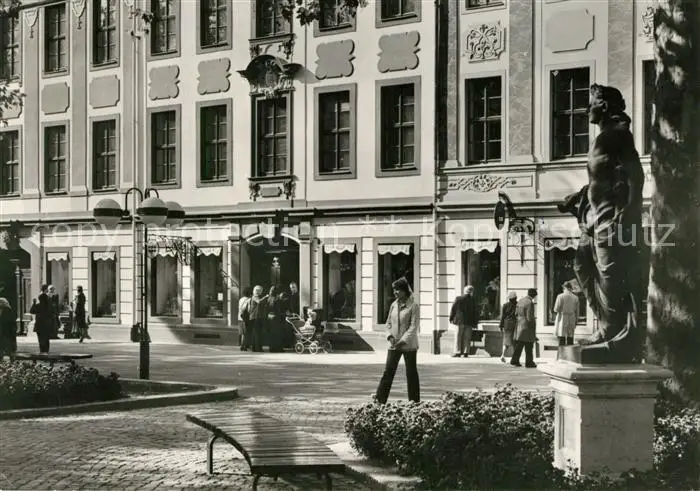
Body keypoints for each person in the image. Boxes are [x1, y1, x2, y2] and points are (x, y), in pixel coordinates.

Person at [557, 84, 644, 356]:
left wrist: (627, 211)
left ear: (604, 106)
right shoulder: (603, 138)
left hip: (611, 218)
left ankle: (613, 330)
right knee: (581, 266)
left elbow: (635, 174)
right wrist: (578, 196)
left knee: (610, 275)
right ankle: (606, 323)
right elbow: (600, 178)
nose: (586, 110)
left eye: (591, 103)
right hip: (594, 218)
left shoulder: (618, 134)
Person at [374, 277, 420, 404]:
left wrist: (403, 341)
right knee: (388, 372)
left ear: (405, 291)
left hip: (409, 345)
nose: (395, 292)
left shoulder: (414, 306)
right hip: (393, 344)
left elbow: (413, 327)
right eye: (394, 290)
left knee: (411, 373)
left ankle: (414, 402)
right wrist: (389, 336)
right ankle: (379, 400)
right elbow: (388, 323)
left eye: (398, 290)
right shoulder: (393, 305)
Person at [510, 288, 538, 368]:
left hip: (519, 324)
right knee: (529, 345)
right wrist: (533, 326)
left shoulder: (520, 300)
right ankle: (529, 362)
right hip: (527, 326)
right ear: (533, 295)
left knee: (519, 344)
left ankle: (514, 360)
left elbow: (515, 313)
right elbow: (529, 317)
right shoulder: (530, 302)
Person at [449, 285, 478, 358]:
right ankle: (466, 352)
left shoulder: (458, 298)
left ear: (464, 291)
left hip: (459, 321)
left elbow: (453, 309)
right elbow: (475, 312)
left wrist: (451, 318)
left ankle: (457, 352)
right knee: (467, 338)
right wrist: (475, 322)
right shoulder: (473, 300)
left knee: (458, 336)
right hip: (469, 321)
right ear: (471, 292)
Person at [554, 282, 580, 346]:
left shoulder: (560, 296)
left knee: (561, 335)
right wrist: (576, 319)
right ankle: (570, 351)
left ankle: (562, 350)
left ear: (564, 288)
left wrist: (558, 311)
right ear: (570, 288)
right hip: (572, 317)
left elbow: (556, 309)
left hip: (562, 317)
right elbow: (577, 311)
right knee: (570, 336)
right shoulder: (575, 297)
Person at [30, 284, 53, 354]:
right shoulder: (48, 306)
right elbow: (52, 313)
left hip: (39, 324)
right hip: (47, 324)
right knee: (46, 339)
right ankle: (46, 351)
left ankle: (42, 351)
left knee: (40, 339)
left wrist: (34, 303)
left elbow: (31, 311)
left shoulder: (38, 306)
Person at [244, 285, 267, 352]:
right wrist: (265, 297)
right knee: (257, 333)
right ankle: (257, 348)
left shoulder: (254, 297)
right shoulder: (255, 297)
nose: (258, 292)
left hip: (254, 317)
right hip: (256, 317)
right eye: (257, 290)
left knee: (256, 333)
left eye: (259, 290)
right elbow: (259, 301)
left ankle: (255, 347)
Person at [498, 291, 518, 363]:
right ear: (515, 298)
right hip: (515, 323)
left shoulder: (505, 305)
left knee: (506, 341)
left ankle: (503, 355)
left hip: (506, 324)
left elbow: (502, 316)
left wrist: (501, 325)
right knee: (515, 341)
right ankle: (515, 357)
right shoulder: (518, 305)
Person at [238, 287, 253, 351]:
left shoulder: (241, 299)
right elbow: (249, 309)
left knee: (242, 333)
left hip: (240, 317)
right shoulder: (249, 300)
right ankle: (243, 346)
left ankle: (243, 345)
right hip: (245, 318)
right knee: (246, 333)